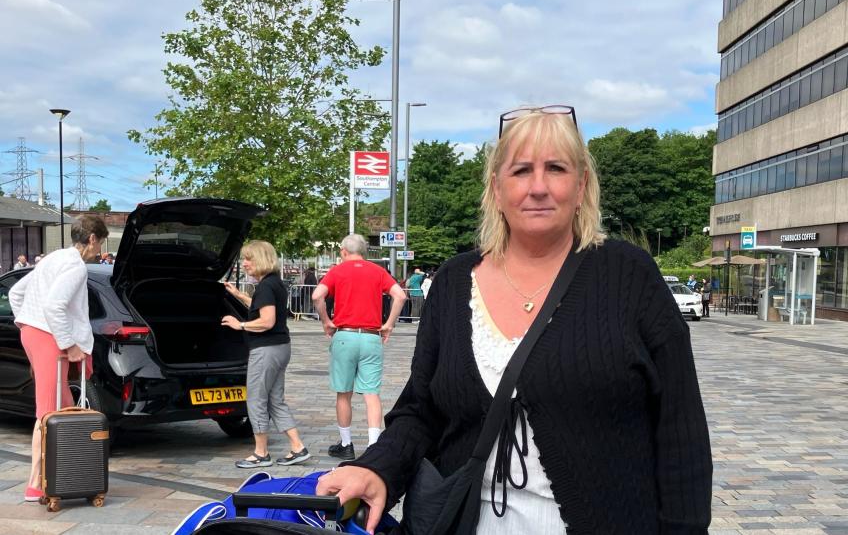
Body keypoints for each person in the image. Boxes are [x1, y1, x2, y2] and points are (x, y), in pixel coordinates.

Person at [315, 106, 712, 533]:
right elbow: (421, 408)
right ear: (497, 189)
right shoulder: (452, 283)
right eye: (521, 170)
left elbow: (681, 432)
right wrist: (377, 468)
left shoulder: (629, 276)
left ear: (581, 187)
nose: (538, 187)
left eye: (556, 169)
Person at [9, 215, 108, 502]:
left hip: (34, 334)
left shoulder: (53, 258)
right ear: (92, 239)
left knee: (63, 407)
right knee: (49, 411)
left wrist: (28, 321)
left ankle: (69, 475)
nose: (99, 250)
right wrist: (70, 344)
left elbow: (17, 293)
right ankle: (36, 484)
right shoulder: (76, 266)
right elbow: (55, 306)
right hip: (50, 338)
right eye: (100, 243)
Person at [311, 234, 406, 461]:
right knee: (371, 393)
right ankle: (374, 446)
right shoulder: (377, 271)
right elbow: (400, 295)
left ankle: (346, 443)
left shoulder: (338, 270)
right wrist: (389, 324)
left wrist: (326, 321)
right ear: (363, 251)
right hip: (372, 337)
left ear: (344, 251)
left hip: (345, 335)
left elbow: (317, 295)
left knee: (344, 393)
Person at [221, 240, 309, 468]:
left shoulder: (266, 286)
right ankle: (298, 447)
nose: (245, 263)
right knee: (275, 400)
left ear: (260, 259)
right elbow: (262, 307)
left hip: (266, 350)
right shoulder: (274, 283)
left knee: (256, 399)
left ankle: (261, 453)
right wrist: (239, 295)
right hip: (281, 347)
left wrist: (239, 324)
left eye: (248, 259)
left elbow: (267, 320)